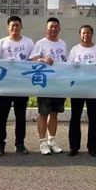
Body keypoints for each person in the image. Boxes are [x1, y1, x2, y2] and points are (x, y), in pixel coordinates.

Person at [0, 15, 34, 156]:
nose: (15, 28)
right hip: (5, 84)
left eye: (17, 25)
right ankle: (0, 144)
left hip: (21, 84)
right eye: (12, 25)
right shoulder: (1, 43)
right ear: (8, 27)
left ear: (21, 27)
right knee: (2, 115)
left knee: (20, 116)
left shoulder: (28, 42)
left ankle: (20, 144)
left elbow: (33, 60)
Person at [67, 25, 96, 157]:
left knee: (93, 116)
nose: (86, 35)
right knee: (75, 116)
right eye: (83, 33)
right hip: (78, 87)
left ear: (92, 34)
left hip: (93, 87)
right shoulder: (75, 49)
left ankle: (92, 147)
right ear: (80, 34)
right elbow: (68, 67)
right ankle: (74, 146)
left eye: (88, 33)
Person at [29, 17, 67, 155]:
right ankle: (42, 142)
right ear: (46, 29)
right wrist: (42, 59)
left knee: (54, 113)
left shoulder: (63, 44)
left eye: (56, 27)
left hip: (58, 83)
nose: (53, 29)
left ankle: (52, 140)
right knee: (43, 113)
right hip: (44, 83)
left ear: (59, 28)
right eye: (51, 27)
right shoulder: (40, 43)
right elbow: (31, 60)